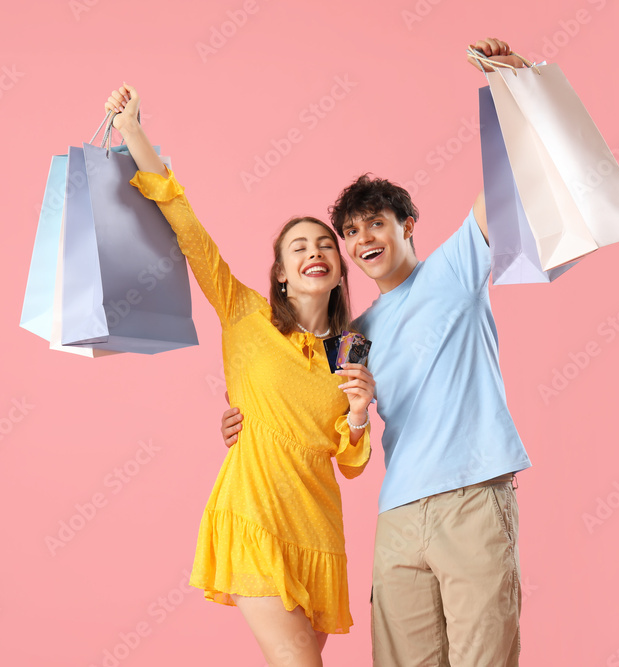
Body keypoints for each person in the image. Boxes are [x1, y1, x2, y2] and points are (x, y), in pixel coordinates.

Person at [221, 38, 531, 665]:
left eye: (377, 224)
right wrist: (245, 422)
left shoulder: (458, 266)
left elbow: (507, 181)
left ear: (407, 225)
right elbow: (322, 420)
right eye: (353, 231)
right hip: (398, 516)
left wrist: (517, 89)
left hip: (472, 495)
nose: (364, 238)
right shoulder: (352, 337)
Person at [104, 84, 377, 667]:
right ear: (280, 273)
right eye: (299, 246)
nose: (315, 251)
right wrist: (132, 134)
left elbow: (351, 461)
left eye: (326, 245)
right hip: (254, 513)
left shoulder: (353, 345)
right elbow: (188, 226)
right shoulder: (245, 312)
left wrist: (357, 416)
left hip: (318, 529)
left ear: (337, 270)